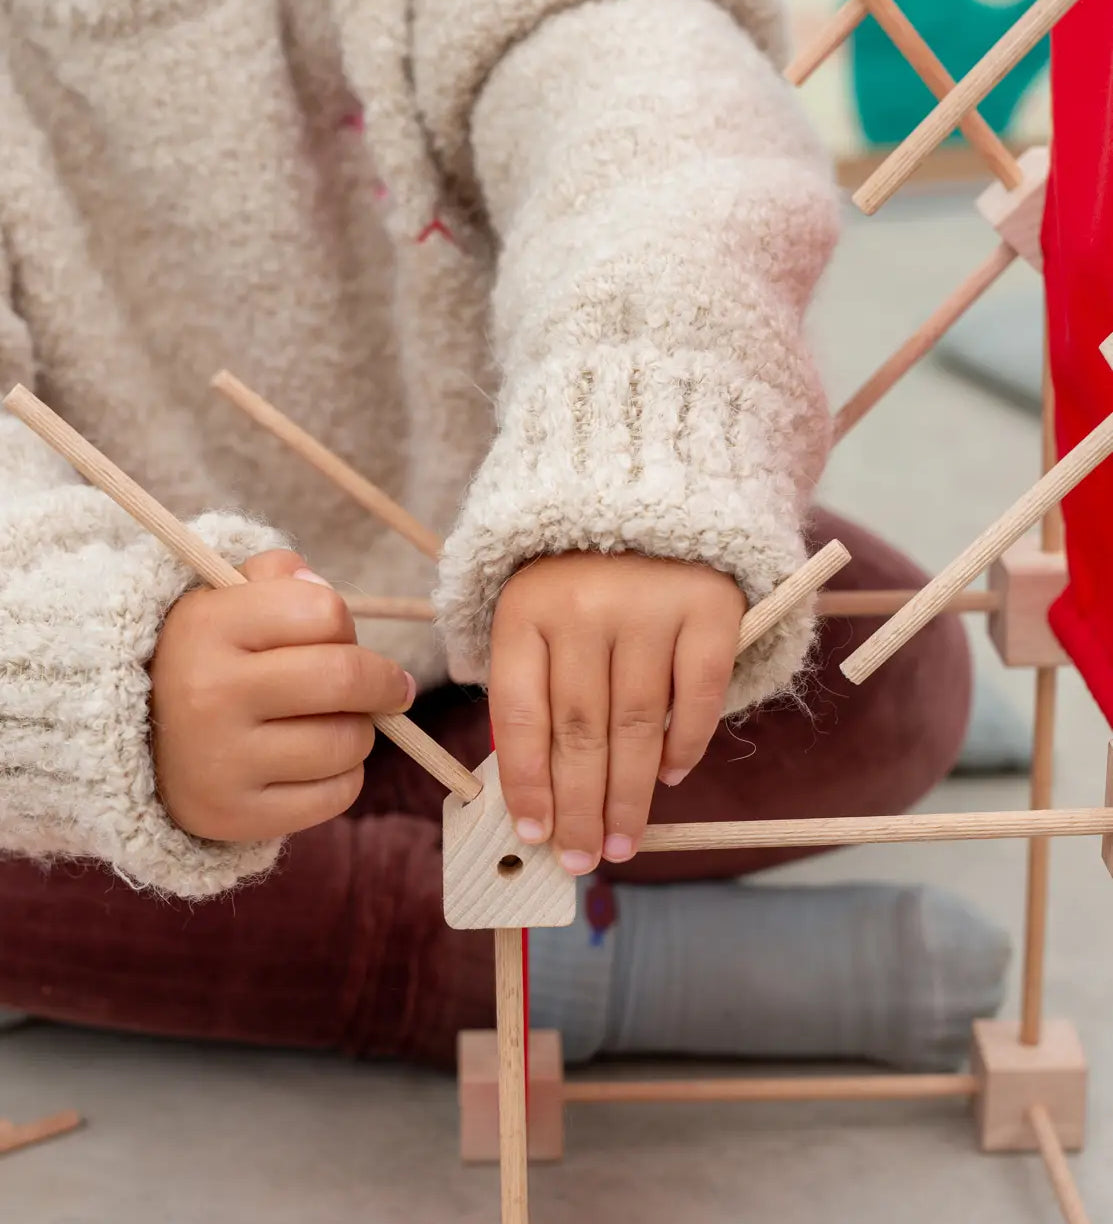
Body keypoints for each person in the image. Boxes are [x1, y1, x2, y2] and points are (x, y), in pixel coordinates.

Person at [0, 0, 1004, 1071]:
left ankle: (421, 859)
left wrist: (627, 444)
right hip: (141, 651)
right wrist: (111, 687)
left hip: (499, 589)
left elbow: (638, 86)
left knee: (891, 670)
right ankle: (572, 967)